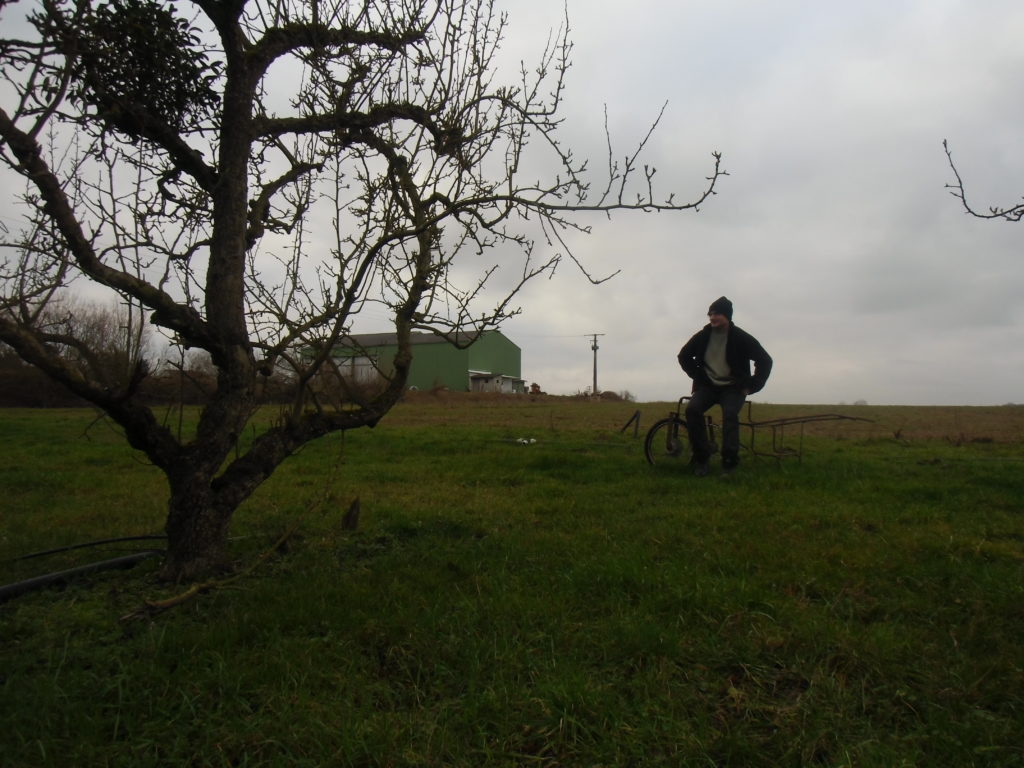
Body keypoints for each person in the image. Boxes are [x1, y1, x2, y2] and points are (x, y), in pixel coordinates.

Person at [677, 296, 772, 476]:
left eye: (717, 314)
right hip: (708, 386)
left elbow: (765, 360)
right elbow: (683, 356)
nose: (712, 318)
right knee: (692, 410)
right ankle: (702, 459)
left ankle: (729, 463)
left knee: (729, 415)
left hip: (733, 387)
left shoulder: (740, 337)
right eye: (710, 314)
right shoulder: (703, 336)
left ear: (727, 316)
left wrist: (752, 385)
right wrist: (697, 376)